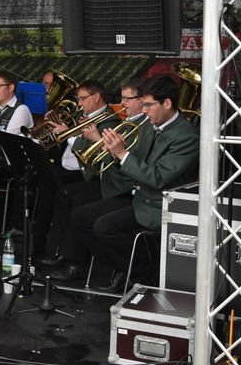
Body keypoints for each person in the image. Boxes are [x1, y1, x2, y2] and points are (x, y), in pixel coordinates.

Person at [71, 75, 199, 292]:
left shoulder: (186, 136)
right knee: (80, 218)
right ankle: (123, 267)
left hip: (159, 206)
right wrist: (113, 152)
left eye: (149, 105)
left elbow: (157, 177)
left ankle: (145, 277)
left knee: (104, 227)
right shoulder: (151, 125)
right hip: (139, 197)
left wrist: (122, 154)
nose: (145, 110)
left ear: (167, 103)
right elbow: (133, 160)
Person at [44, 80, 137, 278]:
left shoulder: (111, 121)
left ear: (96, 97)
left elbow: (96, 154)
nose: (79, 104)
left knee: (78, 202)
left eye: (82, 98)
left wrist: (74, 136)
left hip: (105, 181)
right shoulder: (84, 116)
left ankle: (76, 263)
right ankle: (59, 251)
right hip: (100, 177)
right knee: (62, 193)